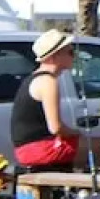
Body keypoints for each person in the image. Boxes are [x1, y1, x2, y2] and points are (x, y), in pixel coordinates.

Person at [11, 30, 83, 169]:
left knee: (90, 144)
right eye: (70, 52)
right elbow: (55, 127)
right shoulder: (48, 81)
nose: (74, 57)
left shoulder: (35, 78)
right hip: (39, 150)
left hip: (27, 149)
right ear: (55, 56)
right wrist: (76, 132)